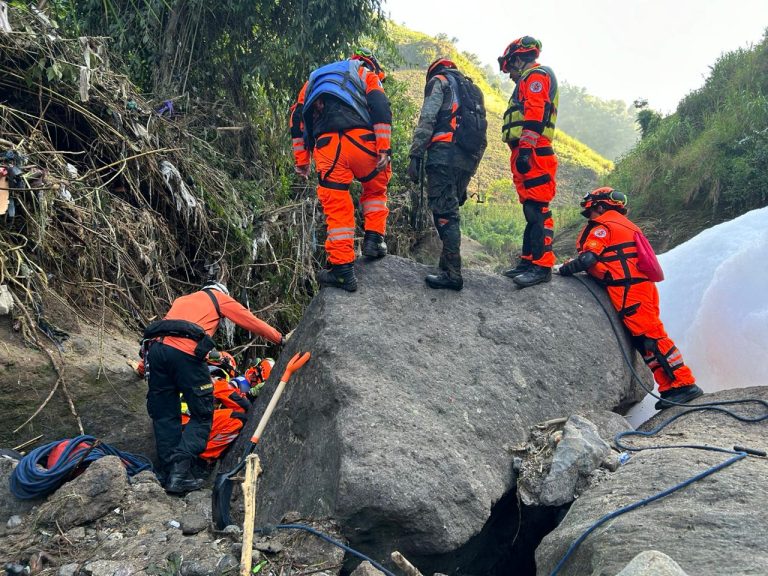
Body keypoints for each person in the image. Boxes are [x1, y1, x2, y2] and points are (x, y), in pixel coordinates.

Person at [558, 187, 703, 409]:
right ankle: (670, 387)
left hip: (630, 291)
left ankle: (685, 384)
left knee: (652, 337)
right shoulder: (627, 225)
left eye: (591, 211)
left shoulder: (604, 226)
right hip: (639, 288)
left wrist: (566, 269)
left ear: (599, 206)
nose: (590, 216)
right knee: (643, 341)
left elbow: (588, 259)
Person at [142, 281, 283, 494]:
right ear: (221, 292)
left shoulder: (182, 300)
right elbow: (249, 320)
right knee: (202, 414)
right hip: (186, 355)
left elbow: (167, 335)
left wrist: (142, 366)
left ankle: (166, 473)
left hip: (155, 352)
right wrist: (279, 339)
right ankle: (179, 476)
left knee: (165, 416)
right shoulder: (217, 298)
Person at [290, 47, 393, 292]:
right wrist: (384, 147)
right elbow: (380, 105)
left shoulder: (316, 77)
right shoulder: (366, 73)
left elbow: (297, 118)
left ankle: (342, 271)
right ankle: (373, 240)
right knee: (375, 191)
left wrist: (302, 160)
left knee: (337, 206)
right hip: (362, 143)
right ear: (370, 64)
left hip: (327, 148)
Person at [407, 59, 486, 291]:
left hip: (443, 155)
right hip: (468, 158)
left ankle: (452, 273)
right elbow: (482, 134)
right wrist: (470, 170)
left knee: (444, 213)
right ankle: (446, 264)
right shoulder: (474, 91)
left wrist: (416, 155)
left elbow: (428, 119)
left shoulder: (439, 82)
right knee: (449, 210)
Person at [498, 36, 559, 288]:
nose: (510, 75)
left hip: (534, 149)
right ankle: (527, 260)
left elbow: (535, 111)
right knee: (530, 209)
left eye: (510, 68)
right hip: (526, 148)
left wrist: (526, 149)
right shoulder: (527, 79)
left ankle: (542, 266)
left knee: (538, 209)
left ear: (519, 59)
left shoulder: (536, 76)